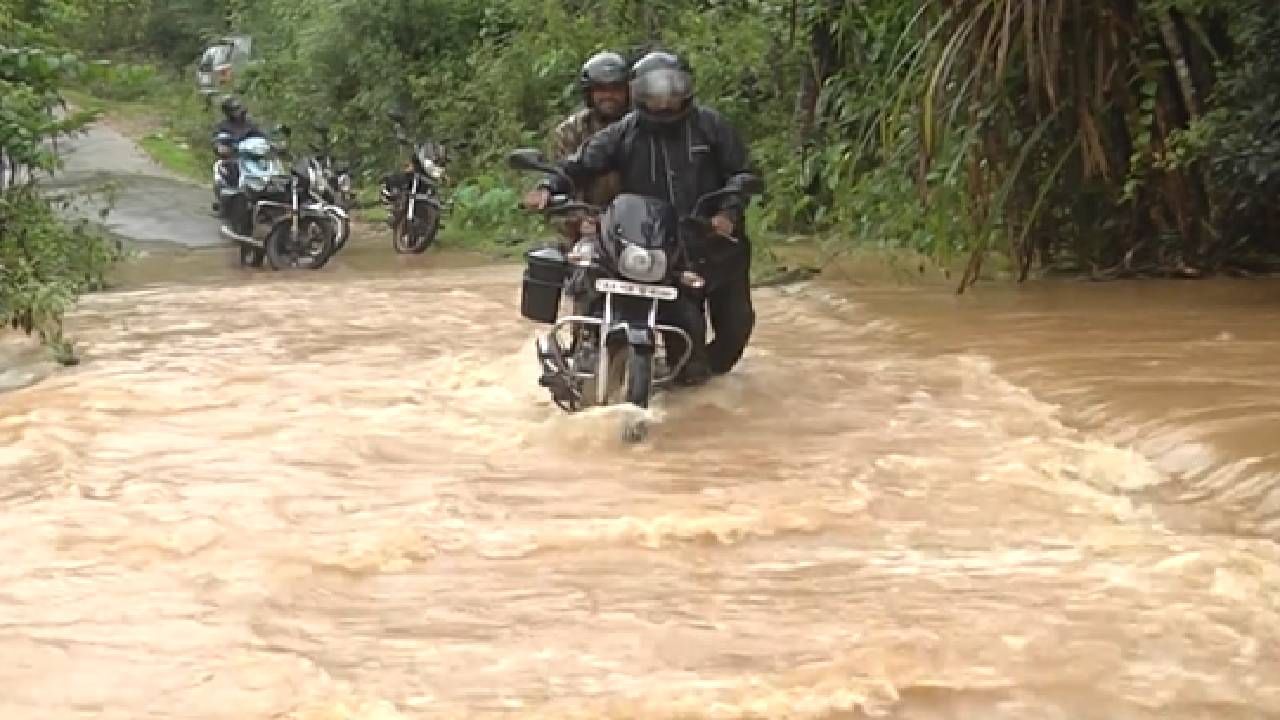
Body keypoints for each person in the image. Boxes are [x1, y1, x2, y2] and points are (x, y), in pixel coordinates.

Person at [523, 51, 757, 384]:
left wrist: (728, 211)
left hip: (716, 243)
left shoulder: (712, 126)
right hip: (661, 249)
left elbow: (742, 172)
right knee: (683, 338)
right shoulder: (623, 132)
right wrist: (548, 185)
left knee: (737, 326)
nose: (664, 99)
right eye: (654, 90)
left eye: (673, 89)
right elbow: (579, 164)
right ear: (639, 92)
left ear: (687, 88)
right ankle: (676, 385)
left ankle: (712, 385)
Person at [532, 51, 631, 248]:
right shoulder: (571, 131)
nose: (609, 96)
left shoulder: (642, 126)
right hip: (586, 225)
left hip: (638, 223)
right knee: (549, 261)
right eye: (601, 89)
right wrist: (579, 221)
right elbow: (562, 176)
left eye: (616, 89)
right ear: (589, 93)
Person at [210, 96, 261, 212]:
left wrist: (273, 145)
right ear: (228, 112)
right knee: (230, 168)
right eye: (235, 110)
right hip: (234, 157)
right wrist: (220, 147)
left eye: (239, 109)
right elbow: (217, 140)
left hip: (253, 158)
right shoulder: (223, 126)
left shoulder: (250, 125)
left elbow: (262, 137)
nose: (239, 112)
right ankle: (228, 200)